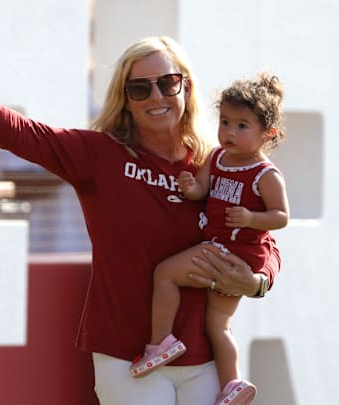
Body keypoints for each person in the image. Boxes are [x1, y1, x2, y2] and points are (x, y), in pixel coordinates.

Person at [0, 25, 280, 405]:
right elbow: (22, 133)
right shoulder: (99, 154)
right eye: (140, 88)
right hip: (127, 358)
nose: (156, 96)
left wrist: (256, 282)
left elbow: (266, 240)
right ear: (126, 99)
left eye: (168, 83)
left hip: (205, 361)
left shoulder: (217, 161)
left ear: (186, 87)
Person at [129, 73, 288, 405]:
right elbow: (202, 188)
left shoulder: (265, 174)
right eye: (226, 121)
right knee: (218, 325)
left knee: (165, 274)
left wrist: (251, 218)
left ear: (267, 134)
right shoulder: (216, 158)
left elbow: (281, 216)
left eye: (242, 126)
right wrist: (191, 188)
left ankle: (161, 342)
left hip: (235, 254)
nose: (230, 131)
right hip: (221, 250)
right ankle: (232, 384)